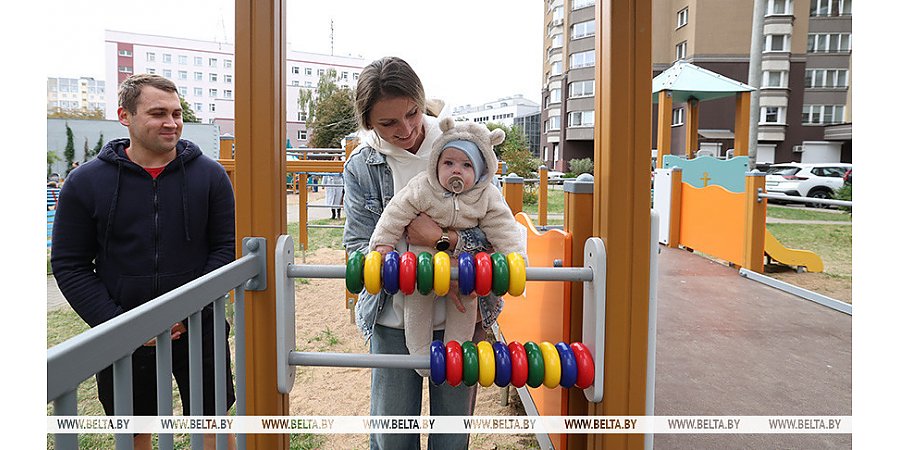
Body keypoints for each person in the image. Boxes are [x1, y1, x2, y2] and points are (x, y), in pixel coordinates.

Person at [51, 73, 236, 450]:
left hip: (199, 324)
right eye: (157, 113)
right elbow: (70, 264)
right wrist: (122, 324)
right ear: (125, 115)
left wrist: (188, 312)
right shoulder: (85, 182)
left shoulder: (211, 176)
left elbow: (224, 248)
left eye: (177, 112)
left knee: (213, 422)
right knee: (136, 432)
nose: (171, 123)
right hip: (121, 329)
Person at [343, 56, 509, 450]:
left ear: (422, 102)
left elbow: (496, 232)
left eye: (412, 113)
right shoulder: (363, 166)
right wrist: (418, 271)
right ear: (368, 123)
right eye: (388, 123)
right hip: (392, 314)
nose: (406, 129)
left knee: (451, 435)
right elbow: (358, 246)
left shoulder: (463, 148)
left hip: (463, 308)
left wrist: (446, 246)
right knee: (392, 435)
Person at [368, 117, 526, 376]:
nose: (456, 171)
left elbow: (503, 228)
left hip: (465, 267)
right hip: (422, 265)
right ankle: (419, 353)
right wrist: (383, 244)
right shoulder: (423, 186)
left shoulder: (486, 196)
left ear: (480, 171)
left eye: (466, 165)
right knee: (417, 301)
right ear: (436, 164)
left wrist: (515, 259)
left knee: (465, 307)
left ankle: (457, 351)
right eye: (448, 163)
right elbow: (395, 212)